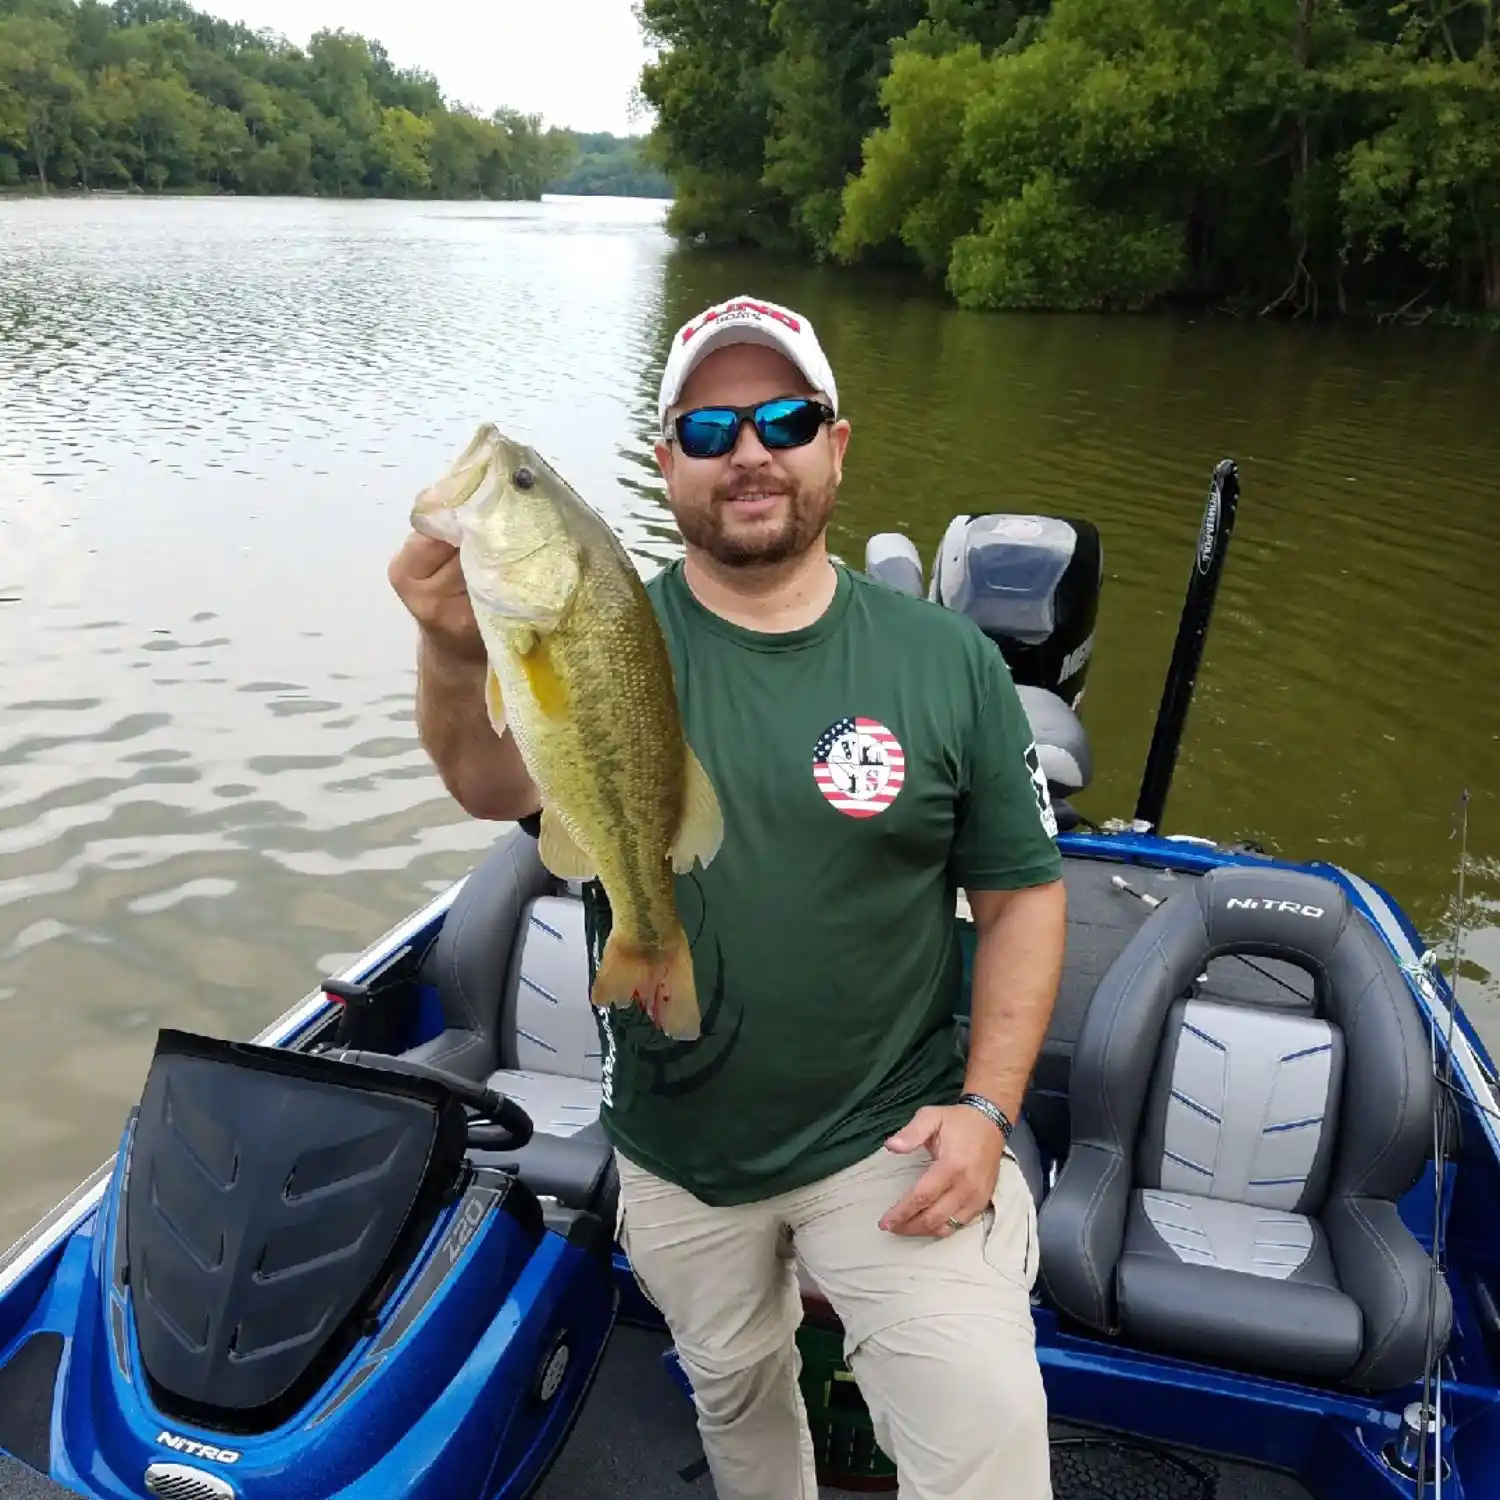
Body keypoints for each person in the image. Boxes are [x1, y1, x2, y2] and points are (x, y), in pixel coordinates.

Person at [388, 294, 1067, 1500]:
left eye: (785, 419)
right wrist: (450, 649)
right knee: (735, 1394)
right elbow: (493, 782)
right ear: (666, 468)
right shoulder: (606, 620)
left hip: (896, 1141)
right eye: (709, 432)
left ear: (835, 446)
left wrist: (990, 1107)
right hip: (676, 1145)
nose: (749, 452)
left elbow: (1020, 899)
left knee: (989, 1442)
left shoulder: (944, 660)